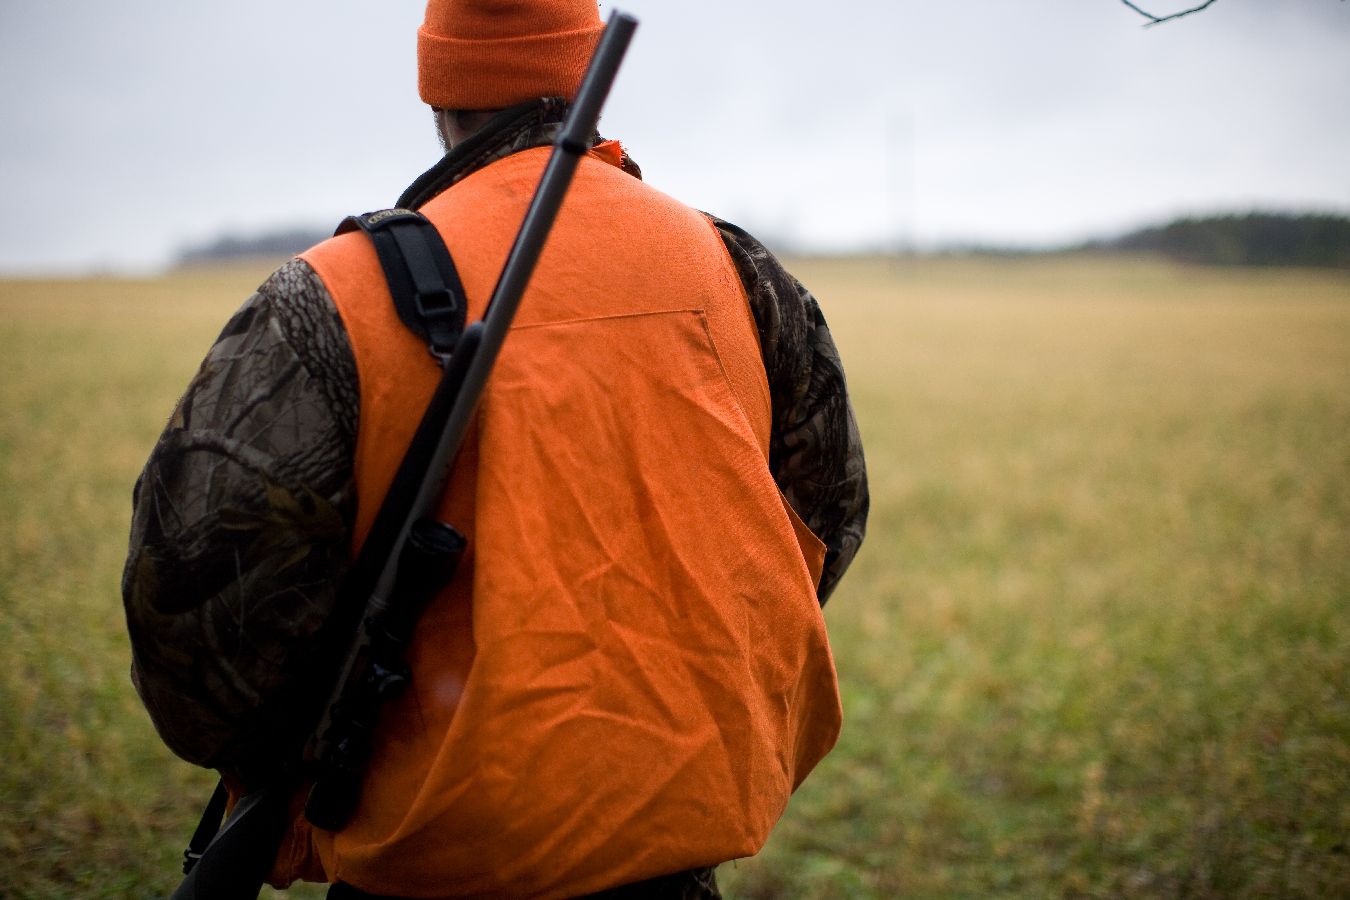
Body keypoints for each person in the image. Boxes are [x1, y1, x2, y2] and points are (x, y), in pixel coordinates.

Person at [122, 1, 868, 897]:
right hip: (675, 868)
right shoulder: (735, 269)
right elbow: (822, 521)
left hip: (422, 870)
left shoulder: (329, 297)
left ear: (438, 87)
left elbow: (195, 622)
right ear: (587, 67)